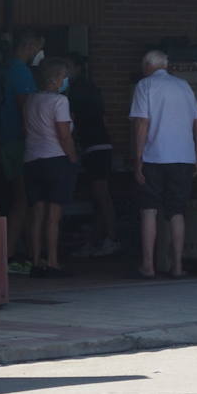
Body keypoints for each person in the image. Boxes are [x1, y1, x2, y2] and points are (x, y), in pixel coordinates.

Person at [129, 50, 197, 279]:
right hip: (182, 157)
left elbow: (142, 123)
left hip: (154, 157)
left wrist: (137, 158)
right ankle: (178, 266)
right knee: (177, 211)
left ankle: (148, 266)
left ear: (148, 66)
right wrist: (196, 156)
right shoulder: (183, 86)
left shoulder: (145, 85)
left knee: (149, 210)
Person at [22, 58, 79, 277]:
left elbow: (26, 128)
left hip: (32, 159)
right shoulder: (60, 102)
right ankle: (53, 261)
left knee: (37, 213)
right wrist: (72, 157)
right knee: (54, 216)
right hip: (55, 158)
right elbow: (63, 134)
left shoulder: (31, 100)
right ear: (55, 80)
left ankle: (36, 260)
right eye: (64, 77)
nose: (66, 80)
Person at [0, 31, 43, 273]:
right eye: (37, 47)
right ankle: (9, 253)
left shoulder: (5, 70)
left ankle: (20, 251)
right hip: (19, 141)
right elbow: (26, 107)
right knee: (23, 199)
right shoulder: (20, 72)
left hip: (6, 139)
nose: (38, 53)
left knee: (21, 197)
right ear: (29, 45)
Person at [67, 54, 120, 258]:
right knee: (98, 198)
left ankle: (112, 238)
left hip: (95, 147)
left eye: (69, 66)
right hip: (99, 146)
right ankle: (97, 240)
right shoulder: (92, 89)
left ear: (78, 67)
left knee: (102, 196)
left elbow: (71, 121)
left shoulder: (77, 91)